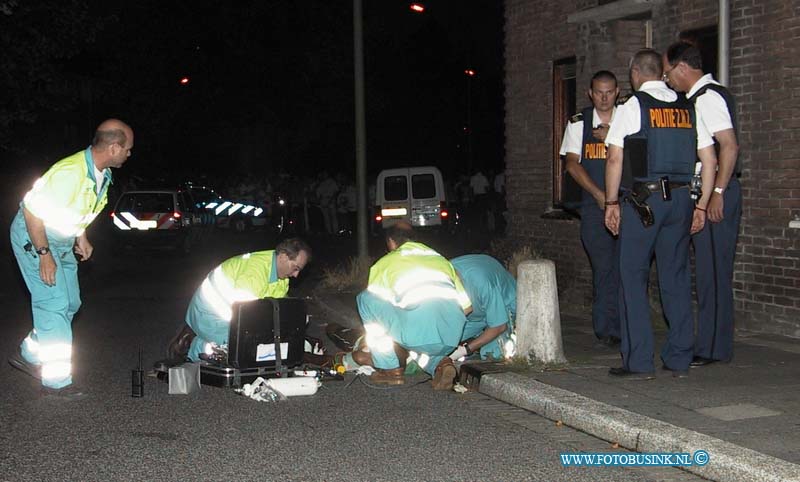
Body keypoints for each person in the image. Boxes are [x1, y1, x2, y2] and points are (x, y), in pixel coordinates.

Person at [604, 49, 718, 378]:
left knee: (632, 278)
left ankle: (638, 361)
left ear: (635, 73)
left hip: (644, 203)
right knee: (677, 279)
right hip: (682, 201)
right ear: (661, 72)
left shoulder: (633, 106)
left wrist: (611, 204)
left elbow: (614, 159)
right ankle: (680, 357)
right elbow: (709, 161)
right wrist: (701, 204)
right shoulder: (689, 107)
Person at [8, 119, 134, 400]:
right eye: (128, 148)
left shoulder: (101, 173)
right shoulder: (70, 172)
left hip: (61, 241)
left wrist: (81, 237)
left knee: (71, 304)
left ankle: (28, 352)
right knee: (53, 304)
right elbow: (32, 212)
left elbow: (78, 209)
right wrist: (44, 255)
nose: (129, 154)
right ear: (114, 147)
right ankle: (56, 382)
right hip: (36, 238)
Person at [663, 41, 741, 368]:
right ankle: (712, 342)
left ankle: (712, 348)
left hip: (715, 191)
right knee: (708, 271)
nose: (668, 80)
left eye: (668, 73)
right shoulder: (702, 96)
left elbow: (729, 146)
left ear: (683, 68)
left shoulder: (707, 97)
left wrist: (717, 193)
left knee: (713, 272)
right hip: (708, 189)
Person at [352, 222, 472, 390]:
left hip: (416, 334)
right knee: (421, 342)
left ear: (391, 242)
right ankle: (441, 365)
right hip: (450, 338)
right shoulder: (442, 261)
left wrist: (371, 344)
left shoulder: (384, 264)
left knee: (364, 299)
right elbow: (467, 308)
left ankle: (389, 369)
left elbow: (377, 308)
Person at [167, 238, 312, 362]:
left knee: (266, 346)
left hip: (232, 318)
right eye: (295, 268)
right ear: (283, 257)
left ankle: (205, 341)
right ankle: (193, 343)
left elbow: (275, 312)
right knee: (248, 347)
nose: (296, 275)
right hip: (208, 315)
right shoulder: (254, 271)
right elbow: (250, 317)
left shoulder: (281, 278)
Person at [560, 70, 622, 348]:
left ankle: (625, 325)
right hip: (593, 207)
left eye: (609, 92)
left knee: (627, 267)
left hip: (625, 205)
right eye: (599, 92)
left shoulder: (628, 118)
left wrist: (612, 137)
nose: (604, 97)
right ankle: (606, 329)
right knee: (603, 267)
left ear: (617, 92)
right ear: (590, 93)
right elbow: (572, 164)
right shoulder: (578, 123)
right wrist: (598, 195)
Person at [449, 254, 516, 361]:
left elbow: (499, 326)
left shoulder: (481, 281)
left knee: (491, 354)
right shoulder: (439, 280)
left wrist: (465, 350)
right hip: (475, 315)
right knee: (442, 343)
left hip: (504, 307)